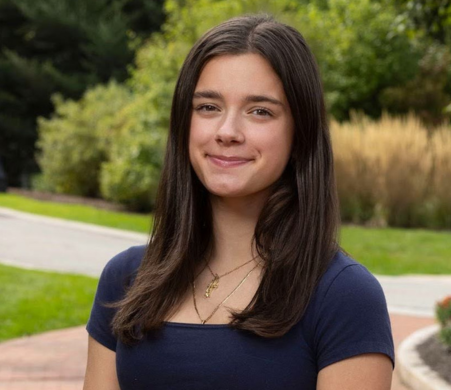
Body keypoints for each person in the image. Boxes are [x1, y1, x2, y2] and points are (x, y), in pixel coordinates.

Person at [83, 14, 394, 390]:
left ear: (301, 133)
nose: (227, 132)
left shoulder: (343, 296)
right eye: (208, 107)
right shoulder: (127, 279)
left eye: (259, 111)